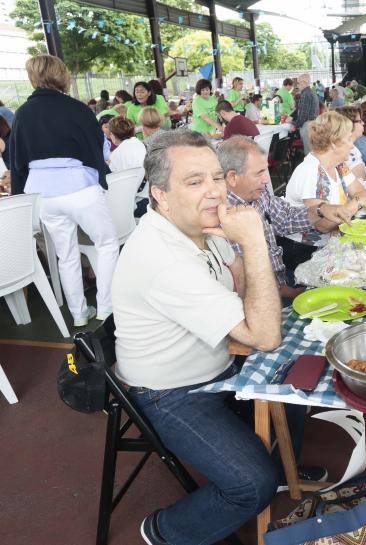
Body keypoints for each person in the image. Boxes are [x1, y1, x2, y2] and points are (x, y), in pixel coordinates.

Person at [112, 129, 325, 545]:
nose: (214, 191)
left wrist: (243, 266)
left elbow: (241, 280)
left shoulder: (199, 226)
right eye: (194, 182)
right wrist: (254, 242)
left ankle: (282, 473)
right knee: (250, 484)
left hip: (218, 361)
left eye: (215, 177)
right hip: (171, 391)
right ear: (161, 195)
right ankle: (165, 531)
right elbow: (263, 335)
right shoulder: (162, 257)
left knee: (296, 384)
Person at [9, 54, 117, 326]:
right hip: (78, 188)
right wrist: (100, 180)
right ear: (62, 75)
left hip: (44, 195)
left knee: (65, 255)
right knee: (106, 245)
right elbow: (96, 147)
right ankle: (105, 309)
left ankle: (79, 315)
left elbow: (17, 160)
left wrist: (20, 196)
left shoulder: (22, 113)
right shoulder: (76, 108)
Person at [219, 136, 357, 299]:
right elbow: (248, 283)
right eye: (259, 173)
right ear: (233, 177)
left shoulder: (258, 195)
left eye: (266, 170)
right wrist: (286, 292)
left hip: (282, 282)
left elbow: (286, 218)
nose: (267, 180)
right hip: (262, 299)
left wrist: (321, 209)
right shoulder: (225, 216)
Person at [283, 111, 366, 264]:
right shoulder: (311, 172)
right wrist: (357, 203)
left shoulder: (339, 165)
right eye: (348, 139)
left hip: (330, 244)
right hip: (307, 253)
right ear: (334, 143)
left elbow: (361, 191)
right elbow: (322, 225)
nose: (352, 144)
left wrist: (357, 200)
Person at [334, 105, 366, 181]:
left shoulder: (353, 147)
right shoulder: (344, 153)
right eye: (359, 121)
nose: (363, 123)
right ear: (349, 124)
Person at [292, 74, 319, 155]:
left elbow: (303, 115)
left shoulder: (305, 94)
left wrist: (295, 125)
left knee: (309, 153)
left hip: (307, 125)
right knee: (312, 151)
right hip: (312, 124)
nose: (297, 85)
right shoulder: (311, 93)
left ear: (304, 83)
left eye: (299, 83)